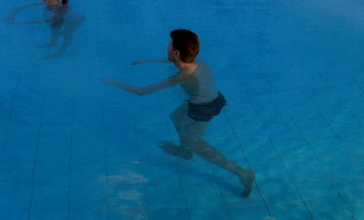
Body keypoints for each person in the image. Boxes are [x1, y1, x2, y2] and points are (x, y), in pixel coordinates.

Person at [104, 28, 255, 197]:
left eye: (168, 45)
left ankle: (242, 173)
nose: (166, 47)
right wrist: (147, 61)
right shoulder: (197, 62)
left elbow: (142, 91)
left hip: (202, 108)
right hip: (209, 97)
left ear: (176, 53)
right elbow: (173, 60)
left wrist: (113, 82)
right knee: (175, 116)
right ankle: (184, 151)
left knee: (197, 144)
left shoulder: (182, 76)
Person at [4, 0, 84, 58]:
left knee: (66, 33)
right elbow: (24, 6)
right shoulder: (49, 1)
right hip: (63, 16)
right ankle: (53, 42)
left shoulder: (60, 10)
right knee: (54, 28)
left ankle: (61, 52)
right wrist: (12, 15)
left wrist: (19, 22)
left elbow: (42, 21)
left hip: (76, 20)